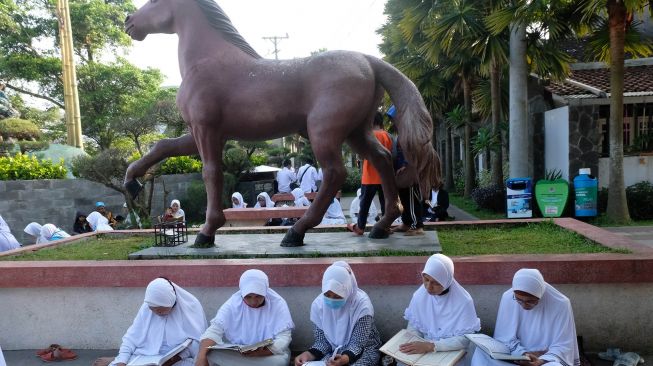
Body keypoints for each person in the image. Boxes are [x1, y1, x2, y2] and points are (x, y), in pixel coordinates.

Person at [470, 268, 580, 366]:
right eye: (519, 300)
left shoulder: (561, 303)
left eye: (531, 301)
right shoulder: (508, 297)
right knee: (480, 353)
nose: (524, 305)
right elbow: (503, 338)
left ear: (540, 295)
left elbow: (563, 345)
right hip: (516, 355)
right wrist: (523, 354)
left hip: (546, 359)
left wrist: (540, 360)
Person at [95, 278, 207, 366]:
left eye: (160, 309)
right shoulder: (148, 307)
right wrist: (122, 362)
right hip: (146, 357)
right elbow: (131, 337)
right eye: (152, 309)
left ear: (171, 302)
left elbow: (197, 342)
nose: (156, 313)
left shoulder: (190, 306)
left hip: (178, 359)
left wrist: (172, 360)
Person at [195, 269, 295, 366]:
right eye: (248, 297)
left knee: (278, 362)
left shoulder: (277, 303)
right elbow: (214, 331)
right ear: (242, 293)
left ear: (265, 291)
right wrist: (201, 357)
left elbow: (284, 337)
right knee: (207, 354)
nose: (253, 301)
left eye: (258, 296)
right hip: (240, 351)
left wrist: (264, 352)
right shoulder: (232, 304)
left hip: (268, 353)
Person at [398, 254, 481, 366]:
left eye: (436, 283)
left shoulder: (463, 301)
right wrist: (414, 343)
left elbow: (464, 339)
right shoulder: (420, 295)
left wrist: (431, 346)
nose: (428, 287)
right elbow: (414, 325)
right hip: (424, 347)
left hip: (452, 350)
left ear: (446, 280)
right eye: (426, 279)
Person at [294, 263, 382, 366]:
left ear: (347, 290)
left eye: (337, 296)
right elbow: (323, 342)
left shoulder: (362, 306)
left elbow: (358, 344)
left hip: (365, 350)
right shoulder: (318, 306)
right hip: (334, 352)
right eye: (327, 295)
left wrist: (343, 360)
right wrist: (307, 355)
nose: (331, 300)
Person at [347, 112, 392, 236]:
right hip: (384, 176)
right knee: (385, 204)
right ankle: (386, 226)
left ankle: (360, 227)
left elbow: (363, 155)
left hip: (370, 176)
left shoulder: (369, 136)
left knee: (365, 204)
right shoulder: (387, 136)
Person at [388, 106, 424, 236]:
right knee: (403, 198)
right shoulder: (402, 132)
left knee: (411, 199)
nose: (393, 121)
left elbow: (414, 150)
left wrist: (405, 164)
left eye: (394, 118)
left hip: (409, 172)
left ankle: (416, 225)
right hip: (401, 174)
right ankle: (407, 222)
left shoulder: (411, 131)